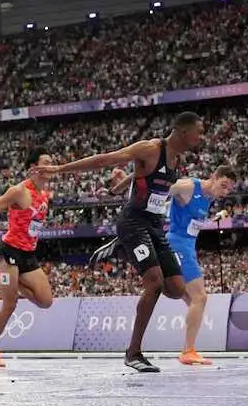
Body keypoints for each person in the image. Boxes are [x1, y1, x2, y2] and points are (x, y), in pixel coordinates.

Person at [37, 112, 205, 372]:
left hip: (155, 226)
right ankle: (133, 352)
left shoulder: (177, 159)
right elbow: (107, 159)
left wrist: (121, 186)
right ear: (183, 132)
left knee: (175, 287)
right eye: (199, 131)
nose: (201, 137)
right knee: (154, 282)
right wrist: (60, 169)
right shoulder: (150, 148)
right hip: (134, 222)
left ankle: (120, 244)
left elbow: (144, 178)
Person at [0, 147, 55, 368]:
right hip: (8, 253)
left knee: (45, 301)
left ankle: (2, 277)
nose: (50, 166)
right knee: (10, 304)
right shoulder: (18, 191)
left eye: (52, 162)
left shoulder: (45, 194)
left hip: (28, 254)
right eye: (46, 162)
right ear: (33, 168)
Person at [163, 166, 235, 366]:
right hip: (177, 243)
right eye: (223, 185)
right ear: (214, 177)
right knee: (200, 297)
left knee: (192, 300)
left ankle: (188, 350)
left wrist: (214, 219)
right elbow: (163, 189)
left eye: (229, 189)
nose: (225, 192)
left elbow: (192, 220)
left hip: (188, 246)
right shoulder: (189, 187)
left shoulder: (210, 197)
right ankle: (188, 351)